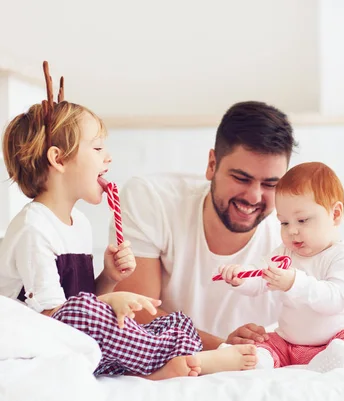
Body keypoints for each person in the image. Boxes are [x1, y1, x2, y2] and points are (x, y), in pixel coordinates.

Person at [0, 62, 256, 380]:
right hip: (35, 341)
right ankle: (168, 363)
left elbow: (80, 301)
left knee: (171, 321)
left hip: (71, 337)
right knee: (93, 313)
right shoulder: (33, 229)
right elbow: (57, 318)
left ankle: (172, 354)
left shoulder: (78, 223)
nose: (107, 157)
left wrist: (108, 279)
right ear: (59, 159)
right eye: (96, 148)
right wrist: (109, 302)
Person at [113, 101, 344, 350]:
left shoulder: (297, 233)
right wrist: (222, 347)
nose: (253, 197)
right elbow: (135, 312)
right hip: (190, 360)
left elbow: (327, 300)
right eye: (241, 178)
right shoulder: (153, 199)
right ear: (212, 164)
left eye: (271, 185)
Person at [217, 162, 344, 371]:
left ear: (335, 214)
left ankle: (336, 359)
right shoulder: (284, 253)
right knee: (268, 341)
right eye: (284, 223)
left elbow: (335, 299)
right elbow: (259, 278)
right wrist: (241, 279)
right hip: (290, 343)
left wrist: (294, 283)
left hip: (335, 339)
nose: (292, 231)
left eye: (302, 220)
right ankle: (259, 359)